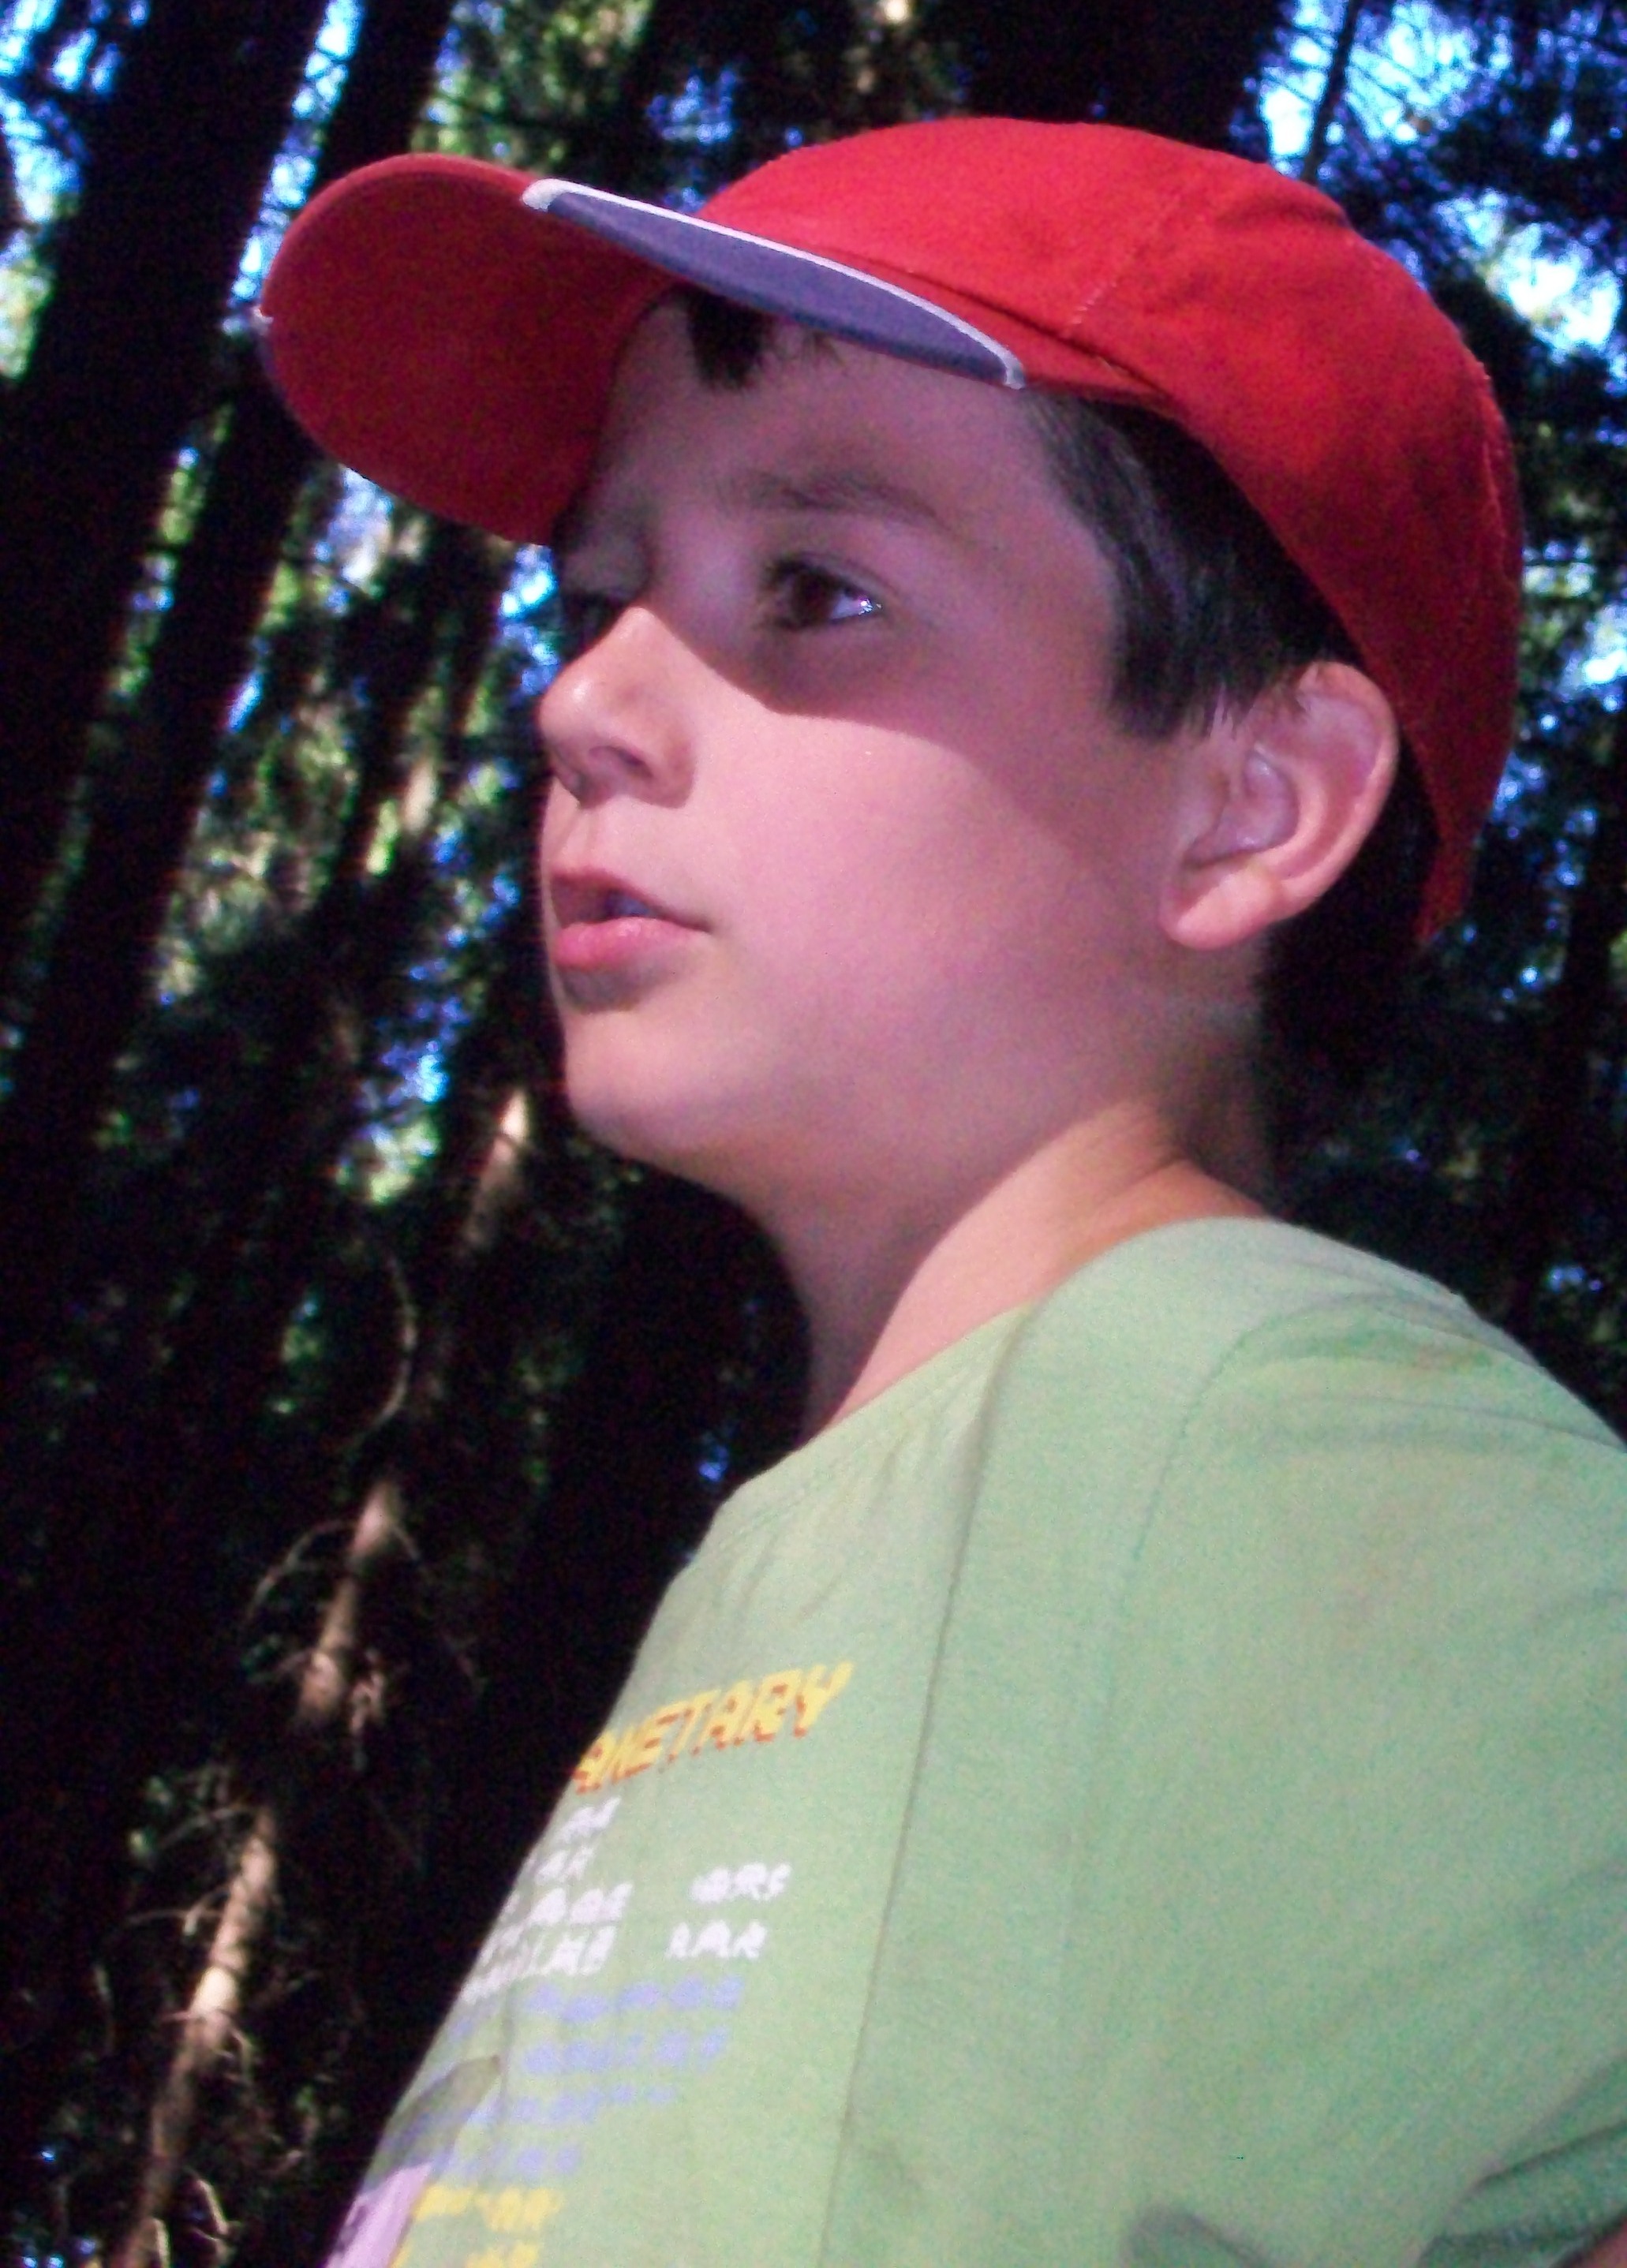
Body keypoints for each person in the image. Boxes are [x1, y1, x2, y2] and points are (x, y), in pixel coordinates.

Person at [260, 118, 1627, 2267]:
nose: (581, 698)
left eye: (816, 592)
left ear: (1253, 804)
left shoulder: (1292, 1434)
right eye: (602, 596)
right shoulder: (874, 1511)